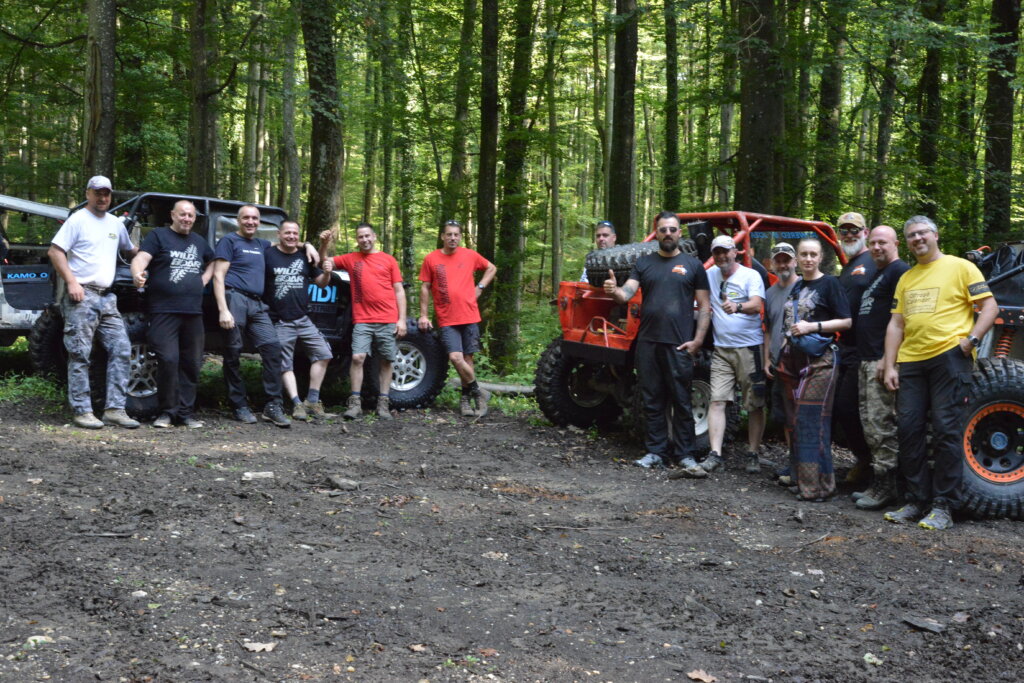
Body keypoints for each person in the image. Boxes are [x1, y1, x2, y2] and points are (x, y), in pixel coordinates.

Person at [882, 216, 998, 530]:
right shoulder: (907, 277)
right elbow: (896, 324)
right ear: (906, 242)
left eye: (922, 233)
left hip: (949, 357)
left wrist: (971, 340)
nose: (917, 238)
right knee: (908, 430)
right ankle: (916, 501)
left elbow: (990, 306)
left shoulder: (961, 267)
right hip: (912, 362)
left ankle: (944, 506)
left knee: (947, 431)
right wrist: (890, 364)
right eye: (910, 235)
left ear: (935, 235)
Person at [604, 211, 710, 475]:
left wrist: (698, 340)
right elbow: (626, 293)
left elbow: (706, 307)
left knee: (681, 400)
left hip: (679, 344)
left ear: (679, 233)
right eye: (663, 230)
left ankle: (685, 455)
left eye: (672, 229)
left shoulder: (693, 265)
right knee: (652, 398)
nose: (668, 234)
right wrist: (614, 291)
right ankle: (656, 452)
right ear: (657, 232)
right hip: (648, 342)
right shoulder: (644, 263)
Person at [48, 175, 140, 429]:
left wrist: (148, 258)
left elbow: (131, 251)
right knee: (79, 353)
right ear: (88, 193)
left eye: (106, 193)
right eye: (98, 193)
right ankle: (82, 411)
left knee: (121, 349)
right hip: (82, 295)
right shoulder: (78, 220)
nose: (102, 198)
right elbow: (55, 251)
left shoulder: (115, 224)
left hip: (107, 297)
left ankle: (114, 409)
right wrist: (72, 282)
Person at [213, 205, 316, 427]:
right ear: (238, 220)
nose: (251, 222)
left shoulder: (261, 245)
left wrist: (308, 245)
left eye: (255, 218)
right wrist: (223, 309)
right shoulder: (229, 241)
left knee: (272, 349)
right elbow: (218, 276)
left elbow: (286, 243)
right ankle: (239, 404)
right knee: (232, 352)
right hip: (235, 298)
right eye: (246, 218)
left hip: (258, 304)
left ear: (259, 222)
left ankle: (273, 406)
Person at [775, 237, 851, 501]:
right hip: (794, 361)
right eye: (804, 255)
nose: (808, 259)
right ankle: (804, 480)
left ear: (820, 258)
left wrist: (813, 327)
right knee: (797, 421)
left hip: (821, 361)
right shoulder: (797, 287)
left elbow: (846, 321)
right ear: (797, 259)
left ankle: (819, 487)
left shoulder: (830, 283)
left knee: (812, 421)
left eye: (813, 254)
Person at [130, 200, 214, 428]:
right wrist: (137, 274)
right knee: (168, 360)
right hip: (163, 311)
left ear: (194, 219)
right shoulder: (158, 236)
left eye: (190, 215)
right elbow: (140, 258)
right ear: (173, 215)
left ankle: (185, 414)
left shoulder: (199, 242)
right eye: (182, 214)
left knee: (191, 363)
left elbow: (214, 261)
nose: (187, 218)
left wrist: (203, 280)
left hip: (193, 313)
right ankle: (167, 412)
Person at [846, 226, 910, 509]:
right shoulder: (879, 273)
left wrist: (889, 359)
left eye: (882, 243)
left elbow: (902, 318)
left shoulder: (900, 271)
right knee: (871, 424)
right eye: (872, 244)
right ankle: (879, 480)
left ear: (895, 243)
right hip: (866, 358)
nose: (876, 248)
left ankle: (889, 486)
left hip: (881, 360)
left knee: (882, 424)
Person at [320, 222, 407, 420]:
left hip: (387, 318)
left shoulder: (389, 260)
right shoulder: (351, 259)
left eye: (368, 236)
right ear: (357, 240)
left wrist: (401, 320)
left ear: (374, 237)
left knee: (386, 360)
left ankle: (383, 403)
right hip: (363, 319)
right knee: (358, 357)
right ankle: (355, 403)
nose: (365, 240)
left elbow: (399, 290)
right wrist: (324, 243)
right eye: (361, 237)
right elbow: (325, 262)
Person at [418, 220, 497, 417]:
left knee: (468, 359)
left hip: (469, 315)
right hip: (446, 318)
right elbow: (425, 287)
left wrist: (480, 288)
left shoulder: (469, 255)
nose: (453, 238)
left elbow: (491, 268)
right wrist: (424, 315)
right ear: (442, 236)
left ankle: (465, 399)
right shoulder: (431, 259)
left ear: (460, 236)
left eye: (456, 234)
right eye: (449, 234)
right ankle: (478, 392)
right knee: (455, 357)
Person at [701, 235, 765, 475]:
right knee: (717, 400)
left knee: (754, 404)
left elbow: (758, 305)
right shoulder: (709, 275)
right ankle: (714, 454)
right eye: (717, 252)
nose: (721, 256)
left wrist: (738, 306)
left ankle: (753, 453)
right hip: (721, 349)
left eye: (725, 251)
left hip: (749, 348)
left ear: (735, 251)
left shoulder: (751, 275)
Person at [266, 220, 335, 422]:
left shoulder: (305, 256)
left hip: (303, 319)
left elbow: (321, 283)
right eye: (287, 233)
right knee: (285, 364)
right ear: (279, 234)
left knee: (324, 354)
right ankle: (296, 404)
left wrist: (328, 272)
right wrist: (308, 243)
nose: (291, 236)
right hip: (280, 320)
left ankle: (312, 400)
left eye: (295, 233)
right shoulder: (268, 254)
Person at [833, 211, 875, 485]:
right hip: (845, 347)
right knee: (843, 410)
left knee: (855, 409)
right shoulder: (847, 267)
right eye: (844, 230)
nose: (849, 234)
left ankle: (874, 468)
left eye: (854, 230)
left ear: (866, 232)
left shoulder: (876, 261)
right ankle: (865, 462)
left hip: (869, 349)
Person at [763, 242, 799, 481]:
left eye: (787, 259)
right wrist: (766, 357)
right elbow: (767, 328)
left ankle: (802, 464)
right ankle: (792, 462)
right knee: (785, 417)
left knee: (800, 415)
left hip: (800, 363)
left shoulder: (805, 288)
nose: (783, 264)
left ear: (795, 262)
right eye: (779, 260)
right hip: (777, 363)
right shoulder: (770, 293)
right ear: (773, 264)